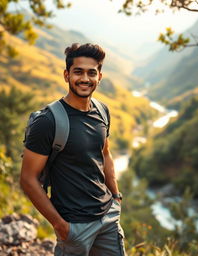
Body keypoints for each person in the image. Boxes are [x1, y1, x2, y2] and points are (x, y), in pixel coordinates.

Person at [20, 43, 126, 256]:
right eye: (78, 72)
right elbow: (28, 179)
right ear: (67, 75)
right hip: (74, 225)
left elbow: (104, 153)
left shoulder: (102, 111)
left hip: (108, 217)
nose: (85, 78)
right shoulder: (48, 121)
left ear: (99, 77)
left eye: (91, 73)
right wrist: (60, 225)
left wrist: (115, 196)